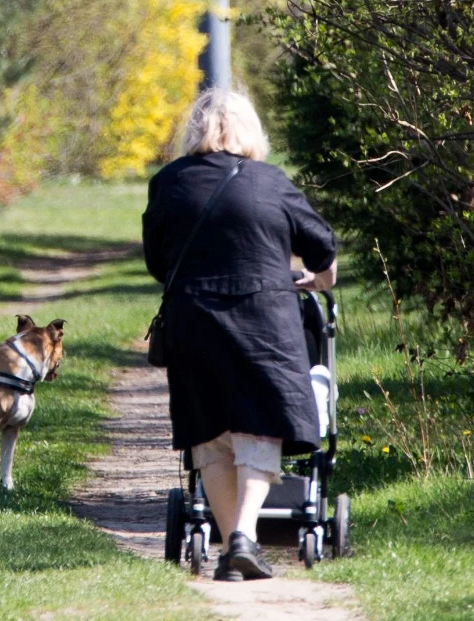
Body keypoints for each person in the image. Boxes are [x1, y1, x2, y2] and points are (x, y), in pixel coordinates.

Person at [143, 89, 336, 581]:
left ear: (194, 130)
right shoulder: (271, 182)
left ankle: (232, 548)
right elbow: (322, 249)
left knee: (210, 435)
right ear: (251, 131)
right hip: (265, 319)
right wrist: (318, 280)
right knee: (259, 426)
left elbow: (157, 262)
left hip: (194, 319)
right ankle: (244, 537)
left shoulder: (168, 183)